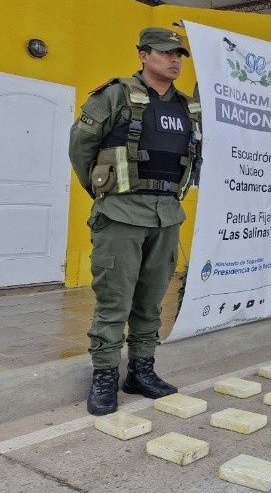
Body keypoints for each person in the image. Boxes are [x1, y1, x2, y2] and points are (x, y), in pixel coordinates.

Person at [68, 27, 201, 415]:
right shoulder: (114, 95)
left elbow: (194, 157)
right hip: (121, 213)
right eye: (164, 53)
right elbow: (81, 149)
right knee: (114, 301)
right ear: (143, 55)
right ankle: (105, 375)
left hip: (166, 215)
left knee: (150, 301)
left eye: (178, 54)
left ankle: (141, 371)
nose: (174, 60)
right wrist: (103, 194)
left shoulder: (187, 106)